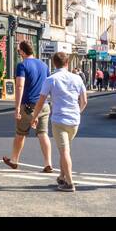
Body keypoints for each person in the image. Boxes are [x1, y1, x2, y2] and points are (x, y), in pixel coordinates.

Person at [36, 52, 87, 192]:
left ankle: (69, 183)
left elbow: (41, 101)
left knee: (64, 151)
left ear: (53, 63)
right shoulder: (77, 79)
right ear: (67, 63)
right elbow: (84, 101)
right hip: (74, 120)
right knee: (65, 149)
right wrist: (78, 112)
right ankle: (62, 176)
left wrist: (35, 116)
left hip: (59, 119)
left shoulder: (51, 79)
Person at [1, 41, 52, 173]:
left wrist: (17, 107)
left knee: (20, 133)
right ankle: (48, 163)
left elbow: (19, 86)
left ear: (23, 52)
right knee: (42, 133)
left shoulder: (22, 65)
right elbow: (48, 84)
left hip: (28, 105)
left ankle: (14, 160)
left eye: (19, 52)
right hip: (44, 105)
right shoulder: (44, 65)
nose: (19, 54)